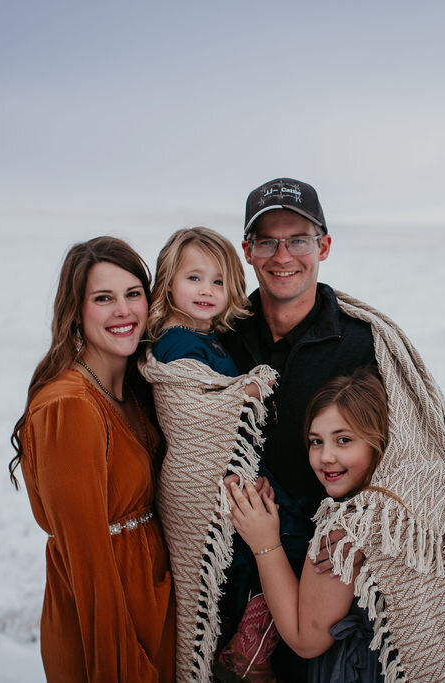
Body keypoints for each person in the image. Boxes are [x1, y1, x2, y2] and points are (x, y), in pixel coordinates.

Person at [219, 177, 445, 680]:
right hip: (232, 569)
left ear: (324, 246)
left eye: (299, 239)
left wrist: (358, 526)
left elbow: (417, 456)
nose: (282, 255)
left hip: (331, 577)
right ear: (247, 250)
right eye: (267, 240)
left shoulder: (366, 343)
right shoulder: (224, 337)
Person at [8, 236, 175, 682]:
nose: (123, 311)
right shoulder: (69, 407)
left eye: (133, 294)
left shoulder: (137, 393)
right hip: (105, 625)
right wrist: (123, 667)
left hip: (152, 608)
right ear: (77, 311)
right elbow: (88, 562)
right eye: (104, 298)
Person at [137, 227, 280, 682]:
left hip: (225, 480)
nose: (206, 290)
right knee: (218, 576)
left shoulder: (211, 337)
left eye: (218, 281)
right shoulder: (177, 341)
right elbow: (196, 406)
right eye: (193, 278)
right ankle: (236, 648)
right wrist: (246, 389)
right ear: (168, 283)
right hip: (195, 484)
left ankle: (239, 642)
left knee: (233, 571)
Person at [227, 368, 388, 682]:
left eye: (343, 440)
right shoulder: (391, 509)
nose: (326, 456)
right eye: (316, 441)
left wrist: (264, 542)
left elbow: (306, 640)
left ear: (377, 441)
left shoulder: (344, 530)